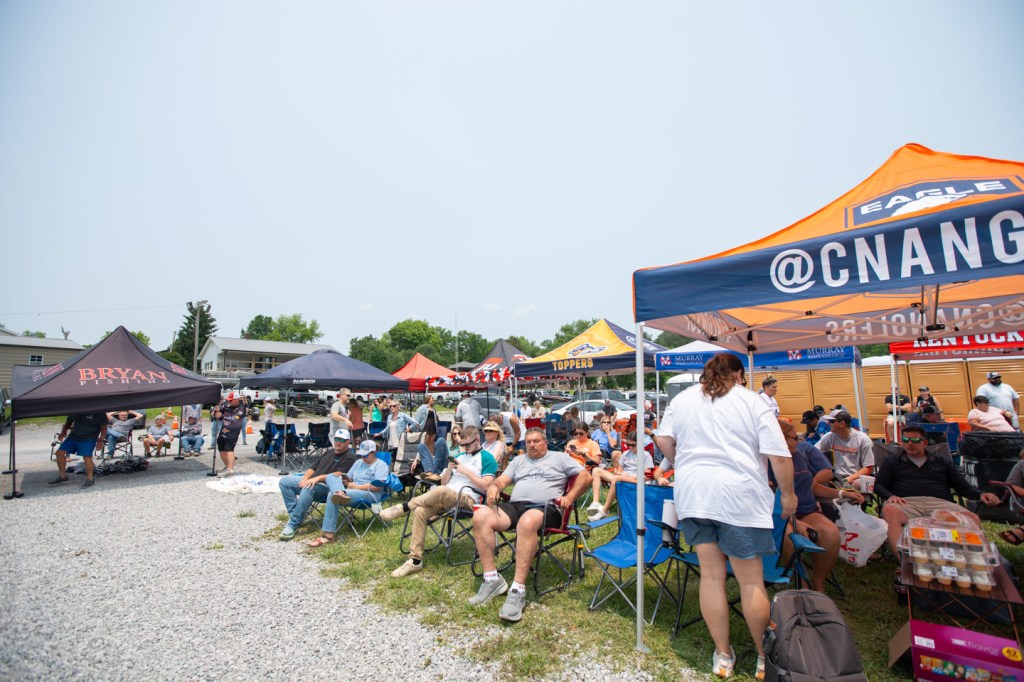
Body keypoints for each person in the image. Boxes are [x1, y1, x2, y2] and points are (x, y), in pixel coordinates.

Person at [653, 353, 796, 680]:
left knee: (711, 577)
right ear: (739, 375)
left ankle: (723, 655)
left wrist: (682, 462)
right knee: (750, 581)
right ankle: (764, 658)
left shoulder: (683, 399)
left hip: (695, 494)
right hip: (739, 497)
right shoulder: (752, 401)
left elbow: (662, 438)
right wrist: (788, 494)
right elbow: (779, 455)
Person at [467, 427, 590, 622]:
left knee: (527, 521)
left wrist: (570, 496)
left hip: (547, 508)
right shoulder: (519, 461)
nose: (532, 445)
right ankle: (491, 579)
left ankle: (517, 590)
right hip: (516, 506)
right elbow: (501, 481)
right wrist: (494, 488)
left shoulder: (560, 458)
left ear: (545, 443)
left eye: (536, 441)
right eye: (529, 442)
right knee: (481, 515)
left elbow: (586, 476)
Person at [383, 425, 499, 577]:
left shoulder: (487, 458)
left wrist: (466, 472)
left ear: (477, 439)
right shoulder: (460, 457)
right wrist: (449, 470)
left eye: (467, 445)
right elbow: (443, 482)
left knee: (442, 491)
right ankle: (415, 560)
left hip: (469, 499)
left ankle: (405, 507)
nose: (464, 448)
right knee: (420, 511)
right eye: (462, 444)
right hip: (446, 497)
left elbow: (487, 486)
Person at [874, 424, 1000, 554]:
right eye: (906, 440)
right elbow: (878, 485)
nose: (910, 443)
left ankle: (971, 558)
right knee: (889, 510)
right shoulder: (892, 461)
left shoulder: (942, 462)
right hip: (906, 503)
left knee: (972, 517)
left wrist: (980, 495)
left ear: (925, 443)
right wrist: (890, 496)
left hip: (940, 503)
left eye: (915, 440)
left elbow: (962, 487)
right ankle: (904, 559)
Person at [771, 419, 863, 592]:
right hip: (779, 516)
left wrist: (842, 493)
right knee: (789, 538)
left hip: (806, 510)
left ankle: (818, 584)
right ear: (780, 439)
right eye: (794, 438)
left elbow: (812, 487)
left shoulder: (797, 456)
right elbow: (766, 498)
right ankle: (801, 584)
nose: (798, 441)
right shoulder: (765, 461)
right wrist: (793, 522)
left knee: (830, 533)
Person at [278, 429, 358, 540]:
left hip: (328, 488)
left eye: (342, 440)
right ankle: (294, 515)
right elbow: (313, 467)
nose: (338, 442)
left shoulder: (350, 457)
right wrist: (305, 479)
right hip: (313, 481)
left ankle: (293, 524)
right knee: (285, 481)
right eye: (336, 439)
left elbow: (338, 475)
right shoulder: (329, 452)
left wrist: (316, 479)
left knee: (308, 488)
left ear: (348, 441)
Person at [307, 440, 390, 547]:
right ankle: (340, 492)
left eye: (365, 455)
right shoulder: (358, 462)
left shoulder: (381, 465)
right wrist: (345, 480)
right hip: (351, 491)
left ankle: (328, 535)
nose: (363, 458)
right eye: (361, 455)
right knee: (331, 476)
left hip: (369, 494)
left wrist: (356, 486)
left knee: (332, 495)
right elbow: (348, 477)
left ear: (373, 452)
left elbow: (377, 487)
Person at [587, 431, 652, 521]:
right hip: (622, 478)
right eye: (628, 444)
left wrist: (627, 476)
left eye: (633, 445)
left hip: (636, 481)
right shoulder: (626, 453)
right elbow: (620, 469)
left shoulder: (646, 455)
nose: (630, 447)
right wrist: (618, 472)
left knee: (616, 479)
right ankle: (595, 503)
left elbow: (647, 476)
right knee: (596, 470)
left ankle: (604, 511)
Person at [48, 412, 109, 488]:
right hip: (74, 436)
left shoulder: (98, 412)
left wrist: (100, 440)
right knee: (59, 453)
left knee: (87, 457)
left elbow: (104, 427)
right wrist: (63, 432)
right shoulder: (76, 409)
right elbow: (69, 421)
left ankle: (90, 479)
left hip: (89, 438)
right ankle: (62, 476)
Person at [816, 410, 874, 487]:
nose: (828, 423)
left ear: (842, 424)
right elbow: (814, 452)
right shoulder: (830, 436)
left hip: (856, 479)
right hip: (836, 478)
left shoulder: (863, 439)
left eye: (831, 421)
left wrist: (848, 479)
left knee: (857, 483)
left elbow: (868, 468)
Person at [215, 391, 248, 476]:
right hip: (223, 430)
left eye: (231, 400)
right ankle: (226, 467)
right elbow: (219, 411)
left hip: (233, 431)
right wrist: (216, 411)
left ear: (236, 400)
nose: (229, 401)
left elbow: (234, 419)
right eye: (228, 400)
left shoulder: (241, 408)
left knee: (229, 449)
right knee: (221, 448)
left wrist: (221, 416)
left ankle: (230, 469)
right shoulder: (227, 404)